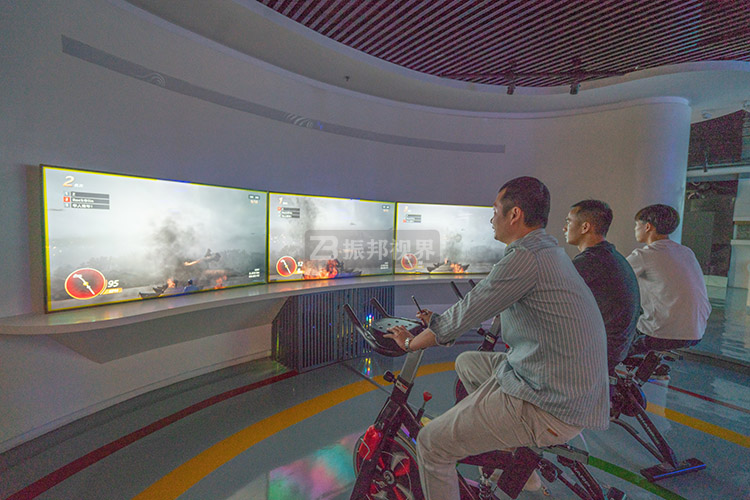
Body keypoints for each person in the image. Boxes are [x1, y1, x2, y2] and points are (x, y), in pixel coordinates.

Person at [386, 177, 609, 500]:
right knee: (467, 362)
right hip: (561, 381)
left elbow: (465, 314)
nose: (491, 218)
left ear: (514, 214)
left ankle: (511, 452)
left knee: (431, 444)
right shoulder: (547, 250)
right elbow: (481, 306)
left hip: (552, 402)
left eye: (494, 210)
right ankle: (514, 467)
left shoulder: (525, 257)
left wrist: (410, 343)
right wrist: (437, 323)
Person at [563, 200, 640, 375]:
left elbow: (550, 294)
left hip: (601, 351)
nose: (564, 228)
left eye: (568, 221)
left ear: (585, 227)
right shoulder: (610, 255)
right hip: (618, 346)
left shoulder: (590, 261)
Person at [626, 204, 711, 355]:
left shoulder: (643, 255)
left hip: (662, 333)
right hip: (696, 330)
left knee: (616, 345)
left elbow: (616, 277)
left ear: (648, 227)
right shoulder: (686, 252)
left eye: (636, 225)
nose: (634, 229)